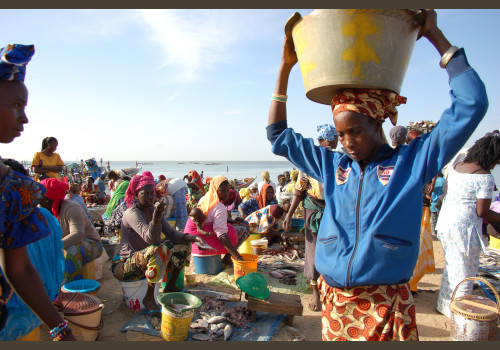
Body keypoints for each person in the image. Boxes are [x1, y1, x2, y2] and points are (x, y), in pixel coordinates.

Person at [266, 10, 488, 341]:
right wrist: (285, 68)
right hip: (336, 305)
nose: (347, 143)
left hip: (385, 307)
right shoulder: (333, 166)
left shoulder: (411, 163)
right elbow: (278, 135)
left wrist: (435, 37)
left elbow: (472, 103)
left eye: (355, 132)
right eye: (341, 135)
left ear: (378, 122)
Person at [0, 43, 75, 340]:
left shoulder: (12, 190)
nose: (25, 118)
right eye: (17, 105)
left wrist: (59, 327)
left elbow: (18, 270)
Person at [112, 171, 205, 310]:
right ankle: (149, 297)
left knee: (183, 245)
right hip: (124, 264)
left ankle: (170, 286)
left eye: (152, 193)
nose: (150, 197)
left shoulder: (152, 209)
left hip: (145, 258)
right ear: (137, 195)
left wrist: (189, 237)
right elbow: (151, 239)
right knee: (158, 248)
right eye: (146, 194)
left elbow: (172, 234)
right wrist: (156, 217)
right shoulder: (132, 213)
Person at [435, 135, 500, 318]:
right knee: (465, 272)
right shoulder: (484, 177)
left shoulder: (456, 167)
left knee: (451, 267)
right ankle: (461, 315)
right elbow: (483, 212)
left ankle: (445, 306)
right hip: (465, 230)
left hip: (446, 223)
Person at [283, 124, 336, 312]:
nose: (331, 145)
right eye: (328, 141)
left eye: (334, 140)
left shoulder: (341, 160)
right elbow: (299, 190)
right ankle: (315, 292)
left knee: (333, 249)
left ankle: (332, 288)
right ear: (320, 141)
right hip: (313, 209)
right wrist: (289, 215)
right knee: (313, 251)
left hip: (334, 210)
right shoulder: (308, 164)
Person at [39, 178, 103, 284]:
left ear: (47, 198)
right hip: (64, 244)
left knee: (72, 252)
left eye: (40, 195)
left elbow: (78, 235)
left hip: (91, 243)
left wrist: (53, 245)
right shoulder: (43, 211)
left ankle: (71, 290)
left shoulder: (71, 208)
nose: (37, 198)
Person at [184, 176, 250, 267]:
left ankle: (228, 258)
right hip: (205, 242)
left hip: (193, 239)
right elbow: (222, 235)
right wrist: (238, 257)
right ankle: (228, 258)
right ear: (215, 190)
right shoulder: (219, 207)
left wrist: (231, 221)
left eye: (228, 190)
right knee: (245, 227)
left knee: (234, 225)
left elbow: (208, 218)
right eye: (223, 191)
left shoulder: (205, 198)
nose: (227, 193)